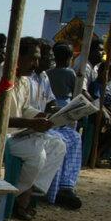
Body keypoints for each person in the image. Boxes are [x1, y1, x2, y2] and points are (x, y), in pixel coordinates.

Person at [0, 36, 66, 220]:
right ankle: (10, 198)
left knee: (57, 145)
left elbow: (24, 108)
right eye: (33, 58)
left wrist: (38, 115)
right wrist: (29, 123)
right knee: (37, 153)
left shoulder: (23, 80)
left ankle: (13, 194)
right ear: (17, 57)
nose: (36, 63)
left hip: (12, 134)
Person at [31, 41, 83, 210]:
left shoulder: (44, 77)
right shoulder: (27, 79)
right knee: (59, 141)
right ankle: (51, 191)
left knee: (74, 136)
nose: (51, 62)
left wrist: (63, 111)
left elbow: (50, 102)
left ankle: (66, 186)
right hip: (32, 124)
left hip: (46, 120)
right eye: (48, 58)